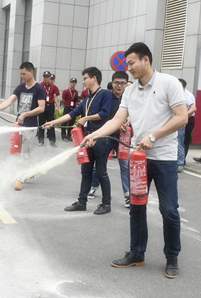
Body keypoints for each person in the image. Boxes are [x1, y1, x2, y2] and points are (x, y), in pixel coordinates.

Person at [82, 42, 187, 279]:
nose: (128, 68)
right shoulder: (129, 91)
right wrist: (95, 134)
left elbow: (182, 118)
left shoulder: (168, 83)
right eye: (127, 63)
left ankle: (172, 257)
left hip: (164, 159)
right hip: (138, 159)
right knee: (137, 208)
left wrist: (153, 135)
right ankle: (137, 253)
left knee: (169, 209)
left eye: (131, 63)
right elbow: (117, 120)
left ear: (146, 60)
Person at [43, 67, 113, 215]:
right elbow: (71, 115)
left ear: (94, 78)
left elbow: (105, 114)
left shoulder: (105, 94)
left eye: (85, 78)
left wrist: (86, 118)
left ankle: (106, 204)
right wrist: (52, 123)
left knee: (101, 172)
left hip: (100, 138)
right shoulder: (86, 99)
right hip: (86, 139)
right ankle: (82, 202)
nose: (83, 81)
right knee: (85, 171)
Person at [0, 62, 45, 190]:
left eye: (24, 74)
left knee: (25, 153)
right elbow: (9, 100)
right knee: (15, 152)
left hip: (30, 127)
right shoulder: (20, 88)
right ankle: (27, 171)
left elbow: (41, 108)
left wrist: (25, 114)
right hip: (18, 126)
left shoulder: (39, 89)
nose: (22, 76)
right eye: (21, 74)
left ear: (31, 72)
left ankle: (20, 178)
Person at [88, 71, 131, 208]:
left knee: (125, 165)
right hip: (107, 137)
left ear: (126, 84)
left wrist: (127, 121)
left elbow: (131, 114)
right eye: (116, 82)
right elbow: (104, 117)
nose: (119, 86)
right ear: (112, 83)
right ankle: (94, 186)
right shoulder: (106, 97)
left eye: (122, 83)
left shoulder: (128, 98)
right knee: (101, 165)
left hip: (122, 137)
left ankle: (127, 195)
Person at [177, 79, 196, 173]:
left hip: (180, 123)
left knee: (180, 143)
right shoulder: (172, 94)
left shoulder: (185, 96)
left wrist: (184, 116)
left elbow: (193, 108)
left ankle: (180, 164)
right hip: (171, 123)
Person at [38, 71, 60, 147]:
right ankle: (41, 140)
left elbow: (55, 97)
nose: (46, 78)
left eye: (47, 77)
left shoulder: (53, 87)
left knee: (51, 123)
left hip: (50, 106)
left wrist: (57, 106)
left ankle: (52, 140)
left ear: (50, 78)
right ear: (43, 77)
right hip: (42, 106)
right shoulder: (40, 86)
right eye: (45, 77)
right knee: (41, 123)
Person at [60, 78, 79, 142]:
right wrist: (67, 105)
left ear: (76, 84)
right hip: (67, 108)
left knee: (71, 123)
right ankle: (63, 136)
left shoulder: (76, 92)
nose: (73, 83)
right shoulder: (66, 91)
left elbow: (76, 100)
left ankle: (69, 136)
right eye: (72, 82)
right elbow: (63, 100)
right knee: (64, 122)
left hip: (73, 108)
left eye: (74, 82)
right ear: (70, 83)